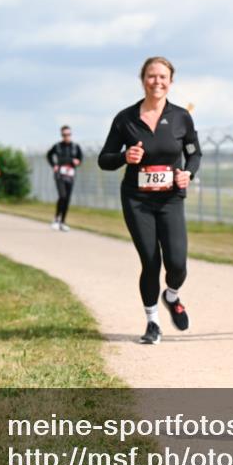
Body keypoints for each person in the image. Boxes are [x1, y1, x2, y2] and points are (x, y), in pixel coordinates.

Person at [97, 56, 201, 345]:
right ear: (143, 80)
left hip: (171, 199)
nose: (157, 81)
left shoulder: (181, 117)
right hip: (137, 199)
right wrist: (125, 156)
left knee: (177, 264)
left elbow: (194, 154)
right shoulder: (125, 118)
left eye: (163, 77)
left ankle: (172, 296)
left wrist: (188, 174)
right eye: (152, 76)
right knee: (151, 261)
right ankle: (152, 322)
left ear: (171, 81)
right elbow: (104, 159)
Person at [47, 125, 84, 231]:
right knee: (62, 196)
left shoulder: (76, 147)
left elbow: (80, 158)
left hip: (70, 175)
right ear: (61, 135)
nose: (67, 136)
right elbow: (49, 155)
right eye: (64, 135)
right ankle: (56, 219)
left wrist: (78, 161)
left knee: (67, 198)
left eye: (68, 134)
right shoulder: (57, 146)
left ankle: (62, 222)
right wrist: (54, 165)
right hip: (60, 174)